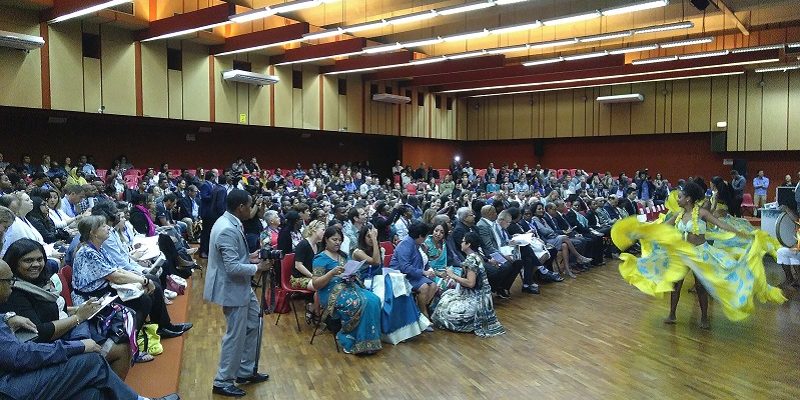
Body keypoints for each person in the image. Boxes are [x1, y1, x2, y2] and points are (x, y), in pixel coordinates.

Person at [612, 181, 785, 329]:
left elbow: (721, 225)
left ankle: (704, 317)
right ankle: (672, 314)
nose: (677, 199)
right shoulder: (679, 215)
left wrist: (743, 234)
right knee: (676, 284)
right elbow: (662, 227)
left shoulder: (702, 213)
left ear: (688, 199)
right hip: (683, 253)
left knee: (701, 286)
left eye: (680, 196)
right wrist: (641, 231)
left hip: (701, 253)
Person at [0, 259, 180, 400]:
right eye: (9, 281)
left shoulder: (32, 290)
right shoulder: (18, 295)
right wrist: (78, 344)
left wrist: (6, 317)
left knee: (92, 394)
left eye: (40, 259)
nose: (12, 285)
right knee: (92, 360)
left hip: (18, 369)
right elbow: (20, 355)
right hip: (8, 386)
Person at [0, 238, 132, 378]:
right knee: (121, 350)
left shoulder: (38, 283)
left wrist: (79, 309)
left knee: (121, 335)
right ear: (14, 263)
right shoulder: (13, 292)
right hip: (48, 349)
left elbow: (51, 310)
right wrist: (78, 317)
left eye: (40, 259)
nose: (36, 264)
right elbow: (39, 332)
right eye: (28, 260)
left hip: (63, 333)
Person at [205, 189, 271, 398]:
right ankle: (222, 381)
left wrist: (250, 257)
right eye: (250, 205)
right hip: (232, 289)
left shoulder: (228, 222)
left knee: (254, 324)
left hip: (240, 287)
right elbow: (232, 267)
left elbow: (233, 258)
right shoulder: (227, 229)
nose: (252, 209)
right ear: (241, 207)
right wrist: (257, 267)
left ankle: (244, 371)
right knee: (235, 335)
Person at [351, 224, 429, 344]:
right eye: (368, 236)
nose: (371, 239)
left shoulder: (380, 250)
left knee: (401, 291)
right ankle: (386, 331)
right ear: (362, 237)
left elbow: (380, 269)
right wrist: (375, 241)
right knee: (385, 298)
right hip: (363, 282)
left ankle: (402, 331)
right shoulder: (358, 252)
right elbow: (376, 262)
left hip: (378, 279)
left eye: (373, 236)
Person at [312, 226, 382, 355]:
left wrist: (353, 274)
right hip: (331, 292)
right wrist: (331, 273)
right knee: (358, 303)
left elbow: (353, 270)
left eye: (340, 240)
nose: (338, 242)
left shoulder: (343, 256)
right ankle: (349, 338)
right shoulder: (320, 258)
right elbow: (316, 284)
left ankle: (368, 341)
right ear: (326, 240)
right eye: (334, 239)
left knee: (374, 300)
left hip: (350, 286)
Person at [431, 232, 506, 337]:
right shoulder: (477, 256)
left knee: (444, 310)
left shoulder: (471, 260)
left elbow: (470, 283)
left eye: (463, 241)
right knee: (446, 296)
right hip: (483, 299)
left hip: (475, 299)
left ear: (468, 244)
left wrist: (453, 275)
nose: (461, 243)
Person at [388, 222, 437, 320]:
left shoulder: (417, 244)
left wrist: (428, 270)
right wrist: (423, 272)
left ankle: (418, 310)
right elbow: (405, 267)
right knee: (424, 287)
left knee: (433, 286)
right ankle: (423, 314)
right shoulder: (405, 244)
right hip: (401, 275)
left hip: (413, 274)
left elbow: (421, 261)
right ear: (420, 236)